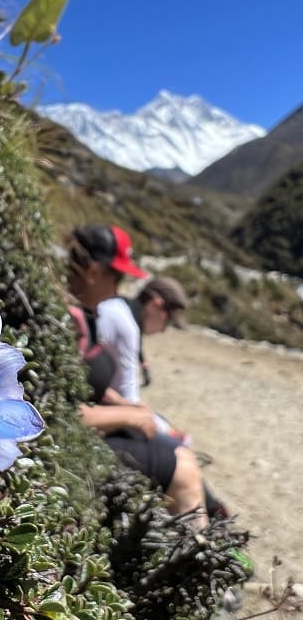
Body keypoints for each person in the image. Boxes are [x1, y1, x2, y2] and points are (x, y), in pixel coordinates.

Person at [65, 224, 209, 527]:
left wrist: (128, 408)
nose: (120, 288)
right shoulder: (69, 321)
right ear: (93, 272)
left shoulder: (89, 315)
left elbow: (87, 385)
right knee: (184, 472)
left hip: (94, 428)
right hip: (71, 444)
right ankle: (194, 560)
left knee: (183, 459)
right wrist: (129, 417)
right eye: (117, 277)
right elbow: (60, 414)